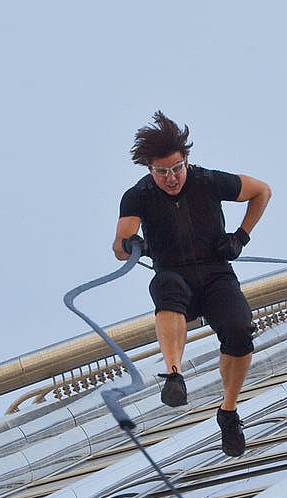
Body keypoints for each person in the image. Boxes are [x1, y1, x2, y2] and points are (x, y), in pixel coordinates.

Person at [113, 112, 271, 457]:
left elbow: (262, 191)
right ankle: (174, 375)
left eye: (177, 168)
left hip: (216, 274)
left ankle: (228, 412)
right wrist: (130, 243)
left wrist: (240, 237)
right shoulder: (137, 196)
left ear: (186, 160)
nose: (171, 178)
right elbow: (119, 246)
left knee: (240, 329)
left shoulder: (208, 181)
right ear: (150, 170)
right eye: (162, 172)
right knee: (166, 288)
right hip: (174, 273)